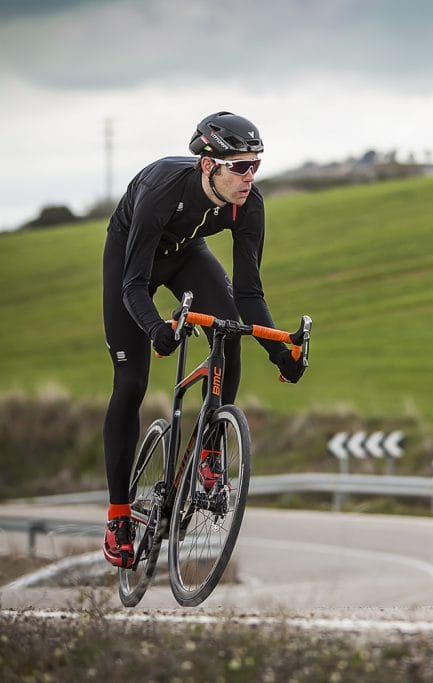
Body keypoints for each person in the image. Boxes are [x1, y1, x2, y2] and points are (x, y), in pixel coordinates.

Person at [101, 111, 305, 567]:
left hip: (186, 253)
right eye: (240, 166)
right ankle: (118, 516)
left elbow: (250, 294)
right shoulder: (162, 191)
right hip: (133, 260)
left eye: (255, 165)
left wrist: (279, 353)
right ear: (209, 165)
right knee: (131, 384)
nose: (250, 177)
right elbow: (132, 286)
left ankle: (209, 448)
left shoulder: (248, 205)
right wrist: (156, 330)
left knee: (228, 327)